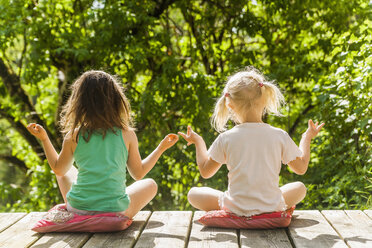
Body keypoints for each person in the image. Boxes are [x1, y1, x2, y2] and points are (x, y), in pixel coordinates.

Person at [27, 70, 178, 219]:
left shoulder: (74, 135)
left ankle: (80, 211)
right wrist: (160, 148)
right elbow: (138, 174)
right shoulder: (127, 134)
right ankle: (109, 207)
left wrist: (45, 139)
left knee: (64, 172)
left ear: (79, 103)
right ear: (117, 102)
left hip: (79, 209)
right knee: (150, 184)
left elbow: (58, 169)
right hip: (115, 211)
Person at [179, 67, 324, 216]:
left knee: (193, 194)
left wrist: (198, 141)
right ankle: (266, 207)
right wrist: (306, 138)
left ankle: (238, 211)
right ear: (265, 98)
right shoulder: (279, 135)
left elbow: (205, 171)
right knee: (300, 188)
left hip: (235, 209)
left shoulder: (226, 138)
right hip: (271, 207)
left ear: (229, 105)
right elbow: (301, 168)